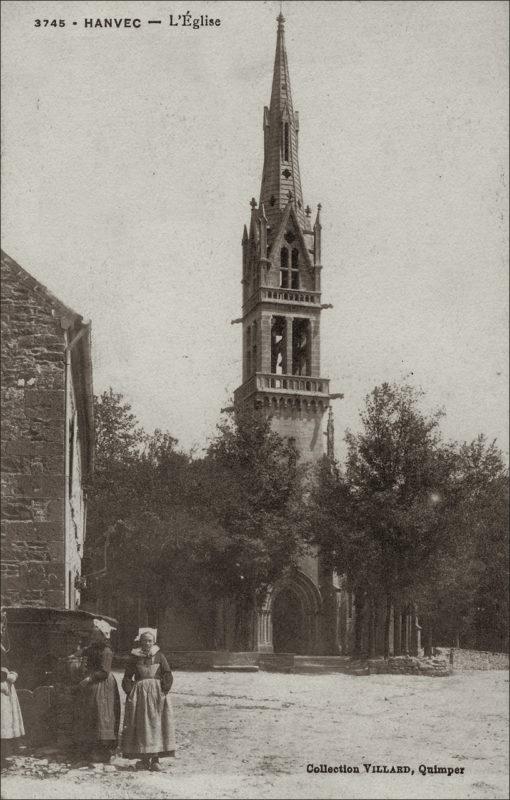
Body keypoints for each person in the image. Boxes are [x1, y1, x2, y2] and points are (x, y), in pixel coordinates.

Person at [121, 628, 175, 771]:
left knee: (157, 724)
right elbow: (127, 677)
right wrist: (130, 691)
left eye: (150, 641)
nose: (147, 643)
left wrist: (164, 690)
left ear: (154, 642)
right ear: (140, 641)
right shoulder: (134, 657)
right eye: (144, 640)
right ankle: (144, 759)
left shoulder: (159, 656)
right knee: (142, 725)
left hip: (157, 694)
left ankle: (156, 759)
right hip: (140, 695)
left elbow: (168, 674)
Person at [72, 618, 120, 764]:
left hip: (101, 685)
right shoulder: (93, 647)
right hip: (92, 684)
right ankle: (91, 749)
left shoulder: (106, 650)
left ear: (101, 635)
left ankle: (103, 752)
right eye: (92, 634)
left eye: (95, 634)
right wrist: (74, 655)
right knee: (90, 715)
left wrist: (88, 679)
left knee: (101, 715)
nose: (92, 636)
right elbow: (84, 651)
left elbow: (104, 672)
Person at [1, 610, 25, 770]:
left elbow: (11, 661)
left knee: (4, 722)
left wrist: (13, 673)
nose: (2, 627)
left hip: (5, 686)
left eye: (3, 624)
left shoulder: (3, 644)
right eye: (1, 623)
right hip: (1, 685)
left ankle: (2, 757)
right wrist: (4, 675)